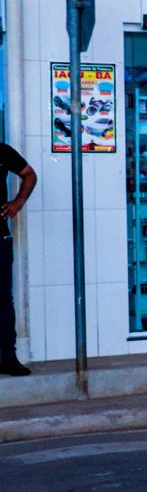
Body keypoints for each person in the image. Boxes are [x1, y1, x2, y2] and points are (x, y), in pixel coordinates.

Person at [0, 140, 37, 375]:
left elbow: (29, 174)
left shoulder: (2, 151)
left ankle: (7, 357)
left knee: (3, 300)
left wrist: (18, 201)